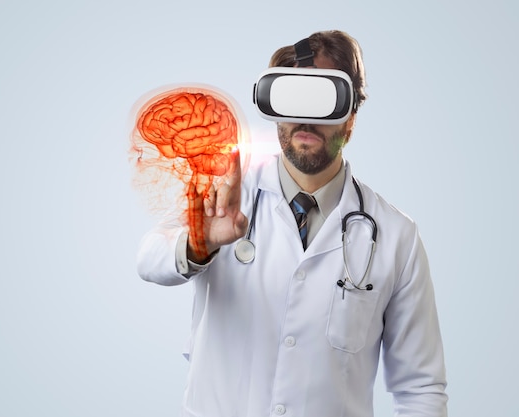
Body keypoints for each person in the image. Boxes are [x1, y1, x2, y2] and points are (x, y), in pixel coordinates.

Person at [136, 30, 448, 417]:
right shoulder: (223, 194)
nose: (305, 118)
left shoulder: (396, 236)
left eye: (323, 100)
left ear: (351, 116)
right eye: (293, 98)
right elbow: (150, 258)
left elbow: (420, 389)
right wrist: (200, 245)